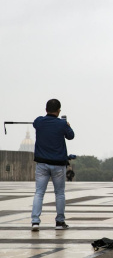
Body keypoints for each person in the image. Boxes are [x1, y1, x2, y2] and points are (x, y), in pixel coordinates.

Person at [31, 99, 75, 231]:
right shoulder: (61, 124)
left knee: (39, 193)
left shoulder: (39, 121)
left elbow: (35, 123)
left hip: (42, 163)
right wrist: (67, 124)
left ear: (46, 110)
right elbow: (71, 136)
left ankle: (35, 221)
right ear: (59, 110)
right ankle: (60, 222)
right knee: (59, 193)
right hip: (58, 164)